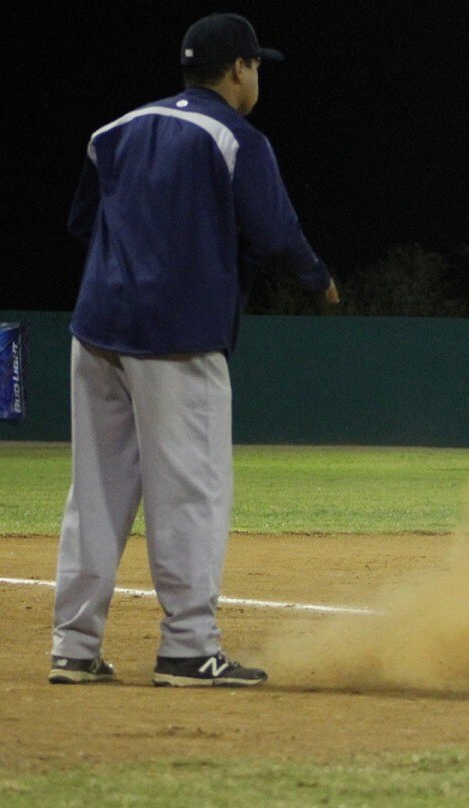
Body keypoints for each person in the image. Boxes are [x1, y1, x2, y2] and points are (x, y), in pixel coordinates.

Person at [49, 13, 338, 687]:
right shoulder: (234, 137)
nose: (257, 75)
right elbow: (275, 231)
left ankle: (73, 645)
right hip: (176, 338)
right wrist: (318, 277)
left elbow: (81, 223)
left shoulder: (111, 132)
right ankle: (188, 647)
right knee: (192, 492)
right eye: (256, 65)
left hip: (96, 330)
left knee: (95, 492)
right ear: (237, 69)